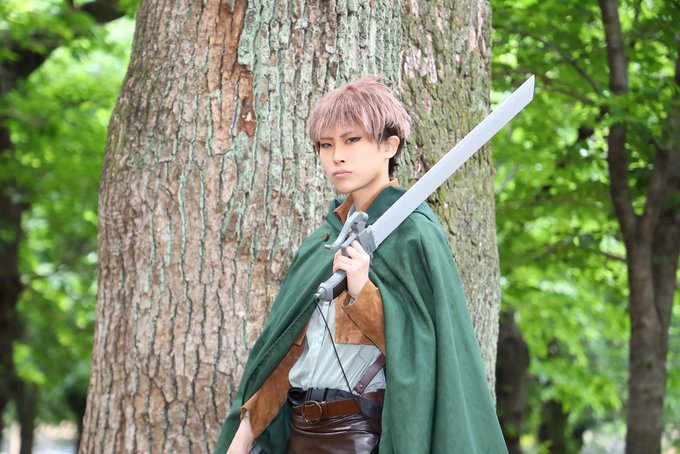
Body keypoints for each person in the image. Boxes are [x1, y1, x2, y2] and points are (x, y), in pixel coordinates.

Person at [215, 76, 507, 454]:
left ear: (389, 145)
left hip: (363, 437)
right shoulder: (323, 242)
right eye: (326, 144)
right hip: (297, 437)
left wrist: (363, 293)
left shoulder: (415, 235)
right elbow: (286, 352)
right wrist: (245, 434)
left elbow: (428, 356)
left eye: (352, 140)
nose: (337, 155)